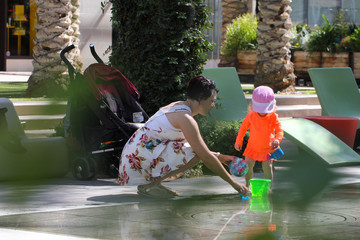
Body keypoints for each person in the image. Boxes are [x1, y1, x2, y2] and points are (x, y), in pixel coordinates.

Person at [117, 76, 248, 197]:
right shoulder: (185, 118)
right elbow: (204, 156)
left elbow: (191, 148)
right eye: (211, 101)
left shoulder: (179, 106)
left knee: (194, 151)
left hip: (135, 155)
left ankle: (152, 185)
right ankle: (150, 186)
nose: (212, 105)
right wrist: (234, 184)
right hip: (137, 160)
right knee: (197, 154)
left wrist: (221, 157)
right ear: (201, 97)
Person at [234, 86, 284, 189]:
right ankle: (247, 186)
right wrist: (239, 141)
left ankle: (268, 188)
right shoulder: (251, 115)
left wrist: (277, 140)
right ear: (252, 106)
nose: (262, 112)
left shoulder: (273, 116)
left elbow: (280, 131)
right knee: (248, 165)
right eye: (260, 109)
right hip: (252, 147)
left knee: (267, 167)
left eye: (265, 109)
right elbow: (243, 128)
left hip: (267, 148)